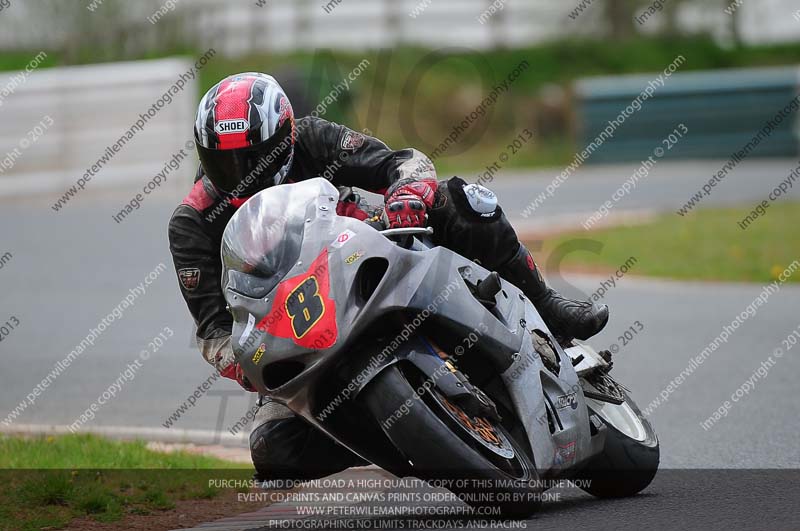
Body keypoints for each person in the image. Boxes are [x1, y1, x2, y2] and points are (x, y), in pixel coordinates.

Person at [168, 72, 608, 480]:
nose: (243, 175)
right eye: (224, 163)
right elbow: (212, 331)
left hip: (363, 249)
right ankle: (406, 442)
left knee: (461, 201)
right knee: (274, 452)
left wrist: (407, 194)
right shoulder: (192, 223)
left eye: (253, 159)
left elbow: (403, 163)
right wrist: (244, 362)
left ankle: (550, 309)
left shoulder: (314, 137)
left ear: (285, 138)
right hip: (296, 327)